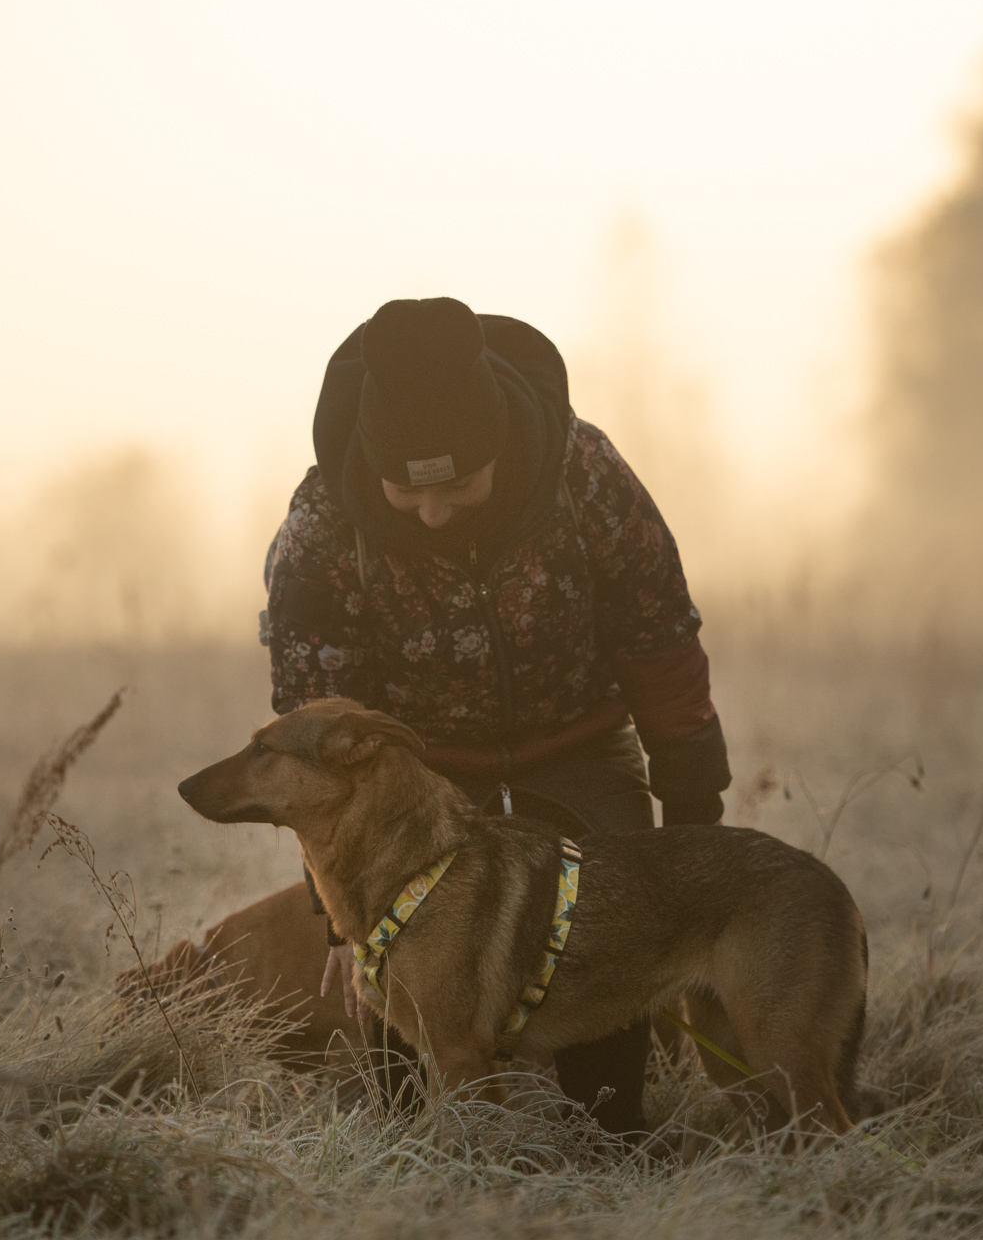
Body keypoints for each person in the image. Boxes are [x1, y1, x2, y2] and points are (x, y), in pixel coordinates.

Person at [259, 296, 731, 1136]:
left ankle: (608, 1145)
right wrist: (333, 916)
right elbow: (316, 733)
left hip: (582, 744)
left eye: (459, 488)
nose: (435, 513)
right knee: (403, 1026)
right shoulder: (321, 532)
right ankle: (422, 1163)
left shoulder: (582, 474)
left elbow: (658, 636)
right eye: (407, 492)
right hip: (414, 785)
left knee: (611, 1001)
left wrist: (692, 810)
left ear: (501, 452)